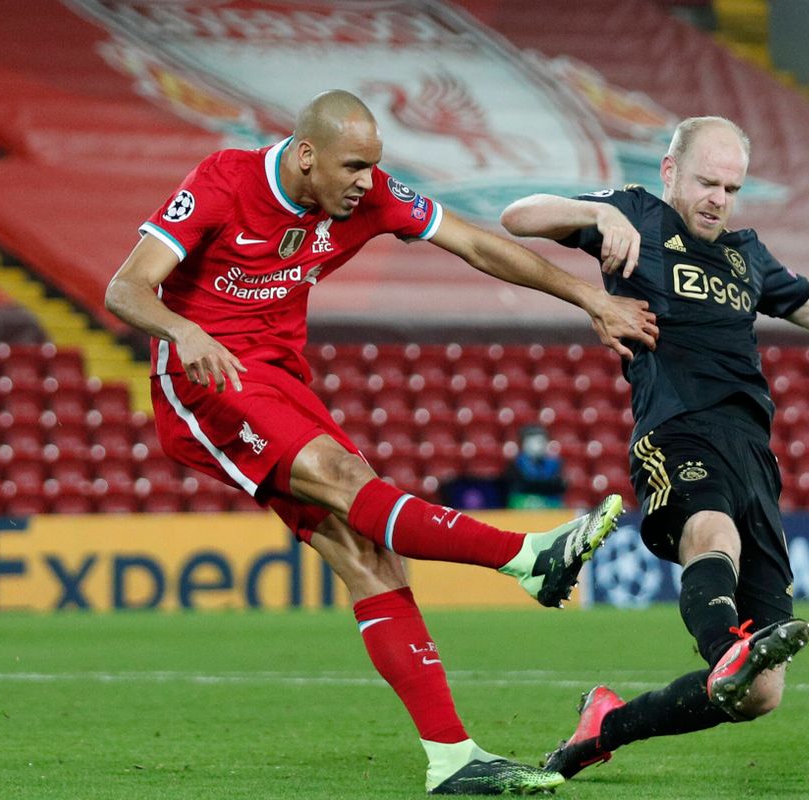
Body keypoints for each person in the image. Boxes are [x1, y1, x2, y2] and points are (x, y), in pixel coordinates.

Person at [104, 90, 660, 796]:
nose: (367, 182)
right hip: (206, 377)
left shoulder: (369, 196)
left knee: (371, 557)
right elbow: (125, 288)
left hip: (281, 380)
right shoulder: (225, 180)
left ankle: (453, 758)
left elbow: (477, 243)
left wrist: (592, 300)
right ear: (307, 155)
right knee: (344, 478)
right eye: (354, 167)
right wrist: (184, 331)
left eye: (373, 166)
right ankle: (526, 556)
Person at [501, 116, 809, 779]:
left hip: (753, 457)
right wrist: (596, 215)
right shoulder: (637, 215)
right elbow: (518, 216)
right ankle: (725, 645)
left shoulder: (747, 256)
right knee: (712, 533)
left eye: (732, 188)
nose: (718, 199)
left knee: (759, 695)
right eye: (707, 182)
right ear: (671, 171)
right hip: (676, 429)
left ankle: (606, 726)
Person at [504, 424, 567, 508]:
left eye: (540, 441)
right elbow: (520, 486)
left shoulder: (555, 463)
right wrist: (546, 485)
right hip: (523, 506)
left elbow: (561, 486)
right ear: (523, 444)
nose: (537, 446)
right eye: (531, 442)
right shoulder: (515, 464)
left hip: (550, 505)